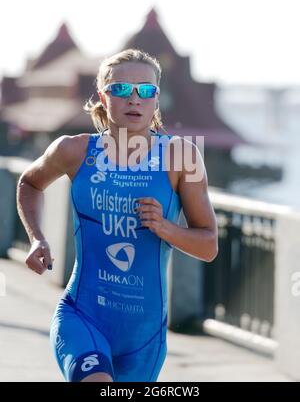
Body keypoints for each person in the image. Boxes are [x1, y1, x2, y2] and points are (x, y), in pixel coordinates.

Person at [17, 48, 218, 382]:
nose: (134, 99)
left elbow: (208, 245)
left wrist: (166, 228)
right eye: (122, 89)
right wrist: (37, 238)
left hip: (144, 337)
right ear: (102, 95)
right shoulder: (74, 150)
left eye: (146, 90)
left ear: (157, 98)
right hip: (83, 315)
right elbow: (29, 182)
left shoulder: (182, 157)